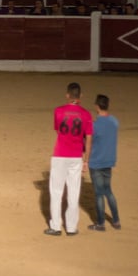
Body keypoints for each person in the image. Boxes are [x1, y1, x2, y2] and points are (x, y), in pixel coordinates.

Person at [44, 82, 93, 236]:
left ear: (67, 95)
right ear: (81, 96)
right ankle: (71, 228)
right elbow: (89, 139)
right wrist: (86, 160)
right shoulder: (86, 114)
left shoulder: (58, 111)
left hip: (60, 155)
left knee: (56, 192)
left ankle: (56, 226)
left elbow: (58, 130)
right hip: (76, 157)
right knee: (73, 192)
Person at [88, 95, 121, 231]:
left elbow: (89, 142)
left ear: (97, 106)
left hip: (96, 162)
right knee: (108, 191)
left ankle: (101, 223)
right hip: (108, 161)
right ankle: (116, 220)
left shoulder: (94, 125)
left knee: (99, 193)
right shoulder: (114, 121)